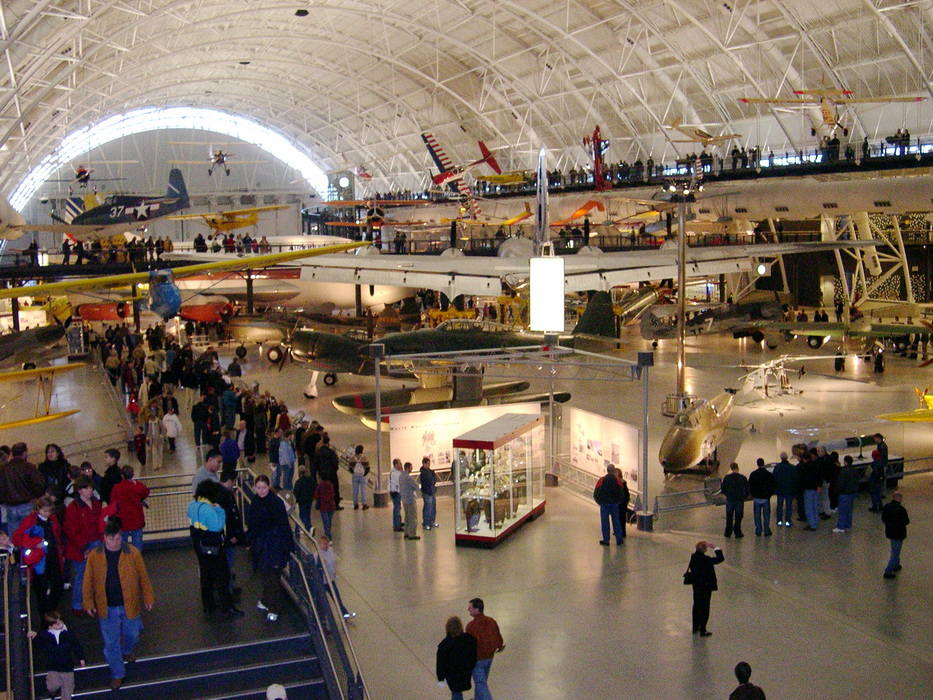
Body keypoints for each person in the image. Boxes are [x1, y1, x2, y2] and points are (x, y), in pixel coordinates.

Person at [83, 517, 155, 691]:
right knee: (110, 643)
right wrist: (88, 602)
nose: (115, 543)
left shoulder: (133, 553)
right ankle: (117, 674)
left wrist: (148, 597)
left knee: (134, 633)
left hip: (129, 603)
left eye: (118, 539)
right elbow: (88, 581)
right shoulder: (95, 556)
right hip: (106, 607)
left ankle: (128, 648)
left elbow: (143, 577)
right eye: (111, 539)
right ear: (104, 538)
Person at [187, 480, 243, 619]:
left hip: (199, 546)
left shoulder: (192, 505)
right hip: (214, 547)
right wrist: (220, 510)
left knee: (206, 577)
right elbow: (218, 526)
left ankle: (208, 605)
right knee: (222, 577)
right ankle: (228, 608)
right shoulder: (209, 508)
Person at [247, 475, 294, 622]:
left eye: (264, 488)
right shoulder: (256, 500)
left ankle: (275, 607)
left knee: (273, 576)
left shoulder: (275, 502)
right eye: (258, 488)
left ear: (268, 487)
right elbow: (252, 524)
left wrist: (286, 546)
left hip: (275, 545)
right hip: (263, 545)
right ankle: (267, 601)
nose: (260, 491)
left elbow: (283, 526)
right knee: (267, 575)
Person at [13, 495, 65, 617]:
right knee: (41, 590)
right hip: (38, 562)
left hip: (52, 557)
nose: (47, 514)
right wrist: (36, 543)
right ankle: (45, 615)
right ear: (38, 509)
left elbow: (57, 536)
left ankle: (50, 612)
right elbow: (17, 539)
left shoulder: (53, 519)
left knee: (58, 585)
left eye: (49, 511)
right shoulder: (30, 520)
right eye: (44, 511)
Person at [63, 475, 103, 616]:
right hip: (81, 547)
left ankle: (90, 602)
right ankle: (78, 604)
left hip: (96, 543)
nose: (90, 490)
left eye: (91, 487)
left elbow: (101, 523)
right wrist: (84, 547)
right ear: (79, 490)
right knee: (82, 576)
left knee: (96, 574)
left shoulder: (96, 504)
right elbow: (71, 531)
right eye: (87, 488)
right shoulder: (73, 508)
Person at [27, 610, 86, 700]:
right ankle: (52, 691)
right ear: (51, 626)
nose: (61, 625)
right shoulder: (47, 635)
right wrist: (34, 635)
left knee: (68, 688)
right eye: (58, 624)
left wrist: (81, 657)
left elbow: (76, 645)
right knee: (52, 685)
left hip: (67, 666)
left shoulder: (68, 634)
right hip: (53, 666)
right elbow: (39, 642)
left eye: (61, 622)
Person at [0, 442, 46, 535]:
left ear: (12, 453)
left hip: (10, 507)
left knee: (15, 535)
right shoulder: (29, 467)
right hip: (27, 505)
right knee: (30, 534)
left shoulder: (4, 469)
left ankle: (16, 549)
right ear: (25, 453)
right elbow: (40, 484)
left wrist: (2, 501)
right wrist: (36, 497)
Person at [465, 598, 504, 700]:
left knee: (480, 684)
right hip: (489, 658)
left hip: (477, 660)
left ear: (477, 610)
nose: (468, 609)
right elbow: (497, 636)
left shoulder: (471, 626)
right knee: (481, 683)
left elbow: (468, 646)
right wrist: (499, 646)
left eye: (470, 608)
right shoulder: (491, 621)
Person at [107, 465, 150, 550]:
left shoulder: (117, 488)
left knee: (122, 543)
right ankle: (137, 560)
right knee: (137, 544)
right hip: (137, 519)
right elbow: (146, 491)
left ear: (122, 476)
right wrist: (137, 483)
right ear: (133, 474)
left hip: (123, 520)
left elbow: (112, 502)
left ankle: (124, 560)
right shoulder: (136, 486)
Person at [686, 541, 724, 637]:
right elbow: (720, 559)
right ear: (705, 549)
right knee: (705, 607)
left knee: (696, 606)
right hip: (706, 586)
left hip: (697, 586)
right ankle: (703, 629)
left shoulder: (693, 557)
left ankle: (695, 627)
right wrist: (716, 548)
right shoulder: (706, 559)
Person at [436, 615, 477, 700]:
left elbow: (440, 664)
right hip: (465, 672)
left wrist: (441, 678)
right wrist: (470, 667)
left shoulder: (444, 645)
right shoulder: (470, 640)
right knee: (457, 692)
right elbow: (473, 657)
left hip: (452, 676)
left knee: (456, 692)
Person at [315, 535, 354, 619]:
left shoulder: (330, 550)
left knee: (337, 598)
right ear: (320, 544)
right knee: (321, 601)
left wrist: (334, 572)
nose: (326, 546)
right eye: (323, 544)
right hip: (323, 582)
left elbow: (333, 562)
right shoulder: (317, 555)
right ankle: (321, 618)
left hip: (330, 580)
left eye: (327, 544)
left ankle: (344, 614)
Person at [593, 464, 625, 545]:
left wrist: (599, 502)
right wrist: (618, 502)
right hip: (614, 504)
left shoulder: (601, 480)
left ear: (607, 470)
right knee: (616, 522)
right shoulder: (618, 480)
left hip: (604, 504)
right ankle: (619, 539)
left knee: (605, 522)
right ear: (614, 471)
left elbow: (596, 493)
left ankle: (606, 540)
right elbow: (622, 493)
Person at [881, 491, 909, 579]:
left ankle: (896, 564)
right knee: (895, 552)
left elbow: (883, 518)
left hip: (890, 532)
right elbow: (906, 521)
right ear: (899, 498)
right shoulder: (901, 509)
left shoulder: (887, 507)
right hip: (899, 533)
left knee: (894, 548)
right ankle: (888, 571)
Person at [748, 458, 776, 536]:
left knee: (757, 515)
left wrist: (753, 494)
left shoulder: (753, 474)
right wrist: (769, 494)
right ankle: (766, 530)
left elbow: (750, 485)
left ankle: (758, 530)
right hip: (766, 497)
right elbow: (773, 485)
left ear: (757, 464)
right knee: (766, 515)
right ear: (763, 464)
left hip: (756, 497)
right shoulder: (769, 474)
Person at [720, 462, 749, 538]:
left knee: (729, 516)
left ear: (731, 468)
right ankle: (737, 532)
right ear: (737, 468)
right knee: (738, 517)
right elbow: (747, 489)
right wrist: (744, 496)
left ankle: (728, 532)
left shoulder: (727, 478)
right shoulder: (743, 478)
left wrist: (727, 495)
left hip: (730, 499)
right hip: (739, 500)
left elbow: (723, 489)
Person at [833, 455, 860, 533]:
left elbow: (841, 483)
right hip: (852, 493)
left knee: (842, 510)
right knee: (849, 510)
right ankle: (848, 524)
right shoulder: (855, 470)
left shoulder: (844, 472)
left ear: (845, 462)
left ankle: (840, 526)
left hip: (844, 493)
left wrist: (837, 491)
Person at [772, 451, 796, 527]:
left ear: (781, 458)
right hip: (789, 489)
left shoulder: (777, 467)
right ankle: (788, 521)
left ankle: (779, 521)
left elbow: (774, 478)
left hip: (780, 490)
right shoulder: (792, 467)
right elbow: (795, 479)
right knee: (789, 505)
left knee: (779, 505)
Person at [400, 461, 421, 540]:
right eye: (411, 467)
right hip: (410, 500)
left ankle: (406, 532)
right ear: (408, 468)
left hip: (404, 500)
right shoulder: (408, 478)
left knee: (407, 517)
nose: (412, 469)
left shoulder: (401, 476)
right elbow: (417, 487)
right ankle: (412, 534)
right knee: (413, 517)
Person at [313, 473, 336, 539]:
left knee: (326, 523)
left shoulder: (320, 486)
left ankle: (328, 537)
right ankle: (328, 535)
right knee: (329, 522)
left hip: (324, 506)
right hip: (331, 506)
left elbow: (315, 496)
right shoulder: (331, 485)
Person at [293, 466, 315, 532]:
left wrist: (296, 500)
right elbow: (314, 488)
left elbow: (296, 492)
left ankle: (309, 527)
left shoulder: (298, 482)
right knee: (308, 514)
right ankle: (308, 529)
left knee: (302, 515)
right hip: (309, 500)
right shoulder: (310, 479)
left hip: (302, 501)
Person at [348, 445, 370, 510]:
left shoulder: (353, 458)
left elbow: (350, 467)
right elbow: (368, 467)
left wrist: (353, 473)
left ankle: (355, 504)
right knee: (363, 490)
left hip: (355, 475)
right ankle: (364, 504)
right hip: (362, 476)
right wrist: (364, 474)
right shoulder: (364, 458)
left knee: (355, 490)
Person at [420, 456, 438, 529]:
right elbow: (427, 481)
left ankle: (431, 522)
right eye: (427, 463)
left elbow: (434, 479)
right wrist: (431, 482)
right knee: (428, 508)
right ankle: (426, 523)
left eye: (429, 463)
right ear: (424, 464)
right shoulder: (423, 473)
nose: (429, 465)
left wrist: (432, 483)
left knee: (433, 507)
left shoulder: (431, 471)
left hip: (432, 491)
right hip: (427, 492)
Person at [388, 458, 403, 532]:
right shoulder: (394, 473)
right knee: (396, 509)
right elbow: (398, 482)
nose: (401, 465)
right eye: (400, 463)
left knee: (398, 508)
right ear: (396, 465)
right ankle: (396, 526)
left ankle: (398, 523)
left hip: (397, 492)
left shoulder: (397, 472)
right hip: (395, 492)